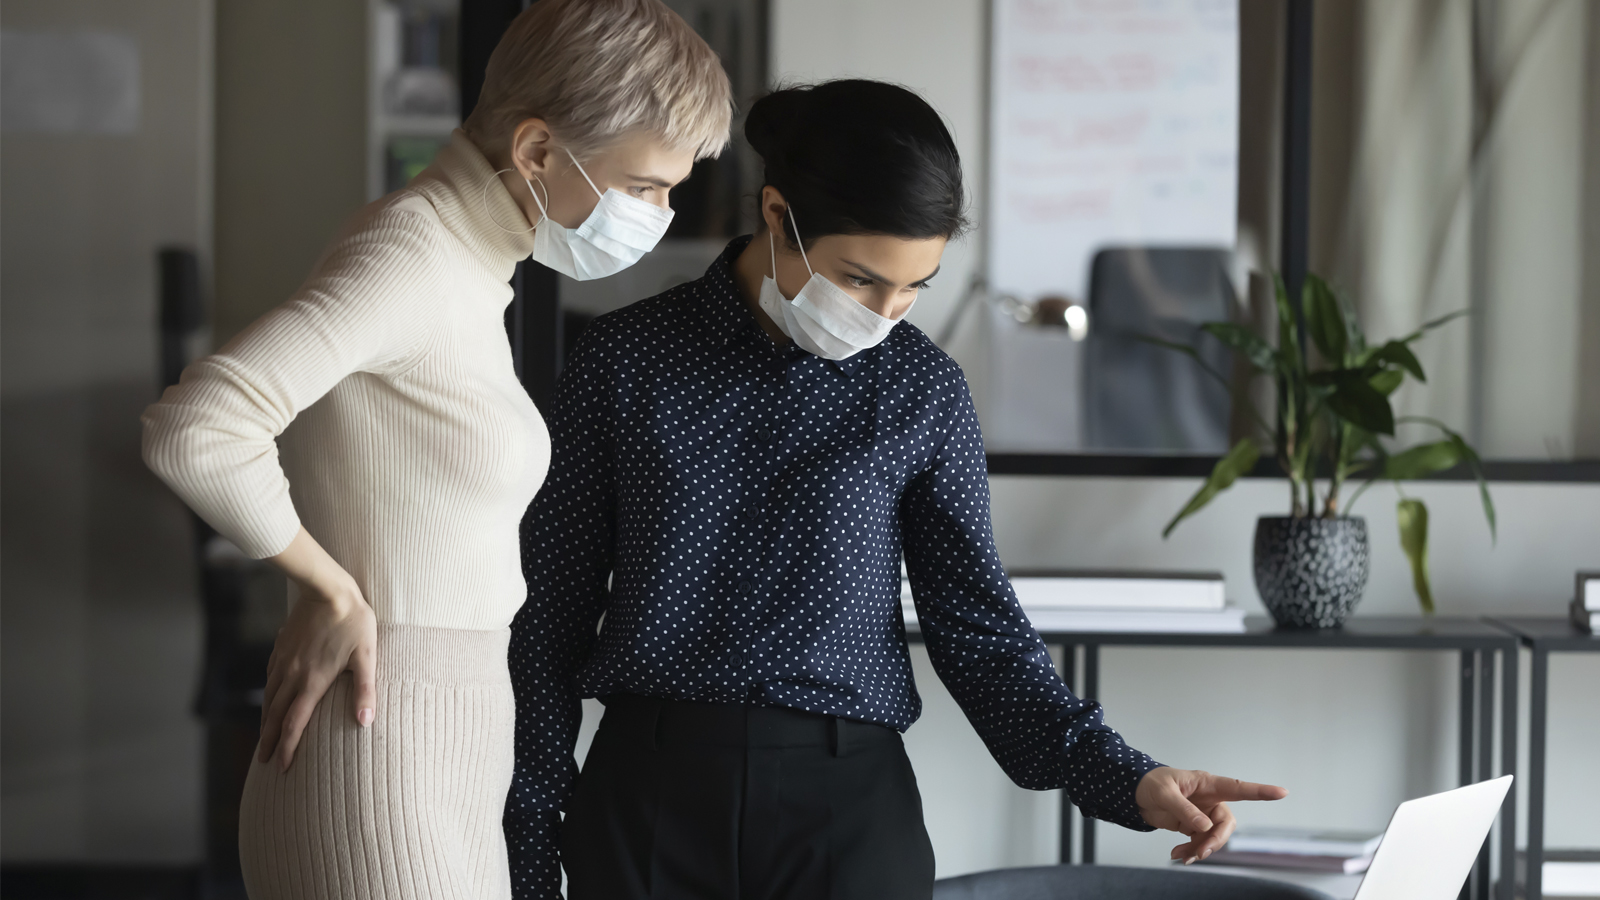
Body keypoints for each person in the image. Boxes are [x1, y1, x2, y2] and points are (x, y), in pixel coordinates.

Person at [508, 79, 1287, 900]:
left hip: (846, 813)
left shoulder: (923, 390)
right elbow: (544, 625)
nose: (887, 313)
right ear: (778, 215)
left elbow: (979, 630)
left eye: (916, 285)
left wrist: (1126, 778)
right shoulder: (623, 362)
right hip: (648, 802)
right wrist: (528, 852)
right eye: (860, 279)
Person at [140, 2, 730, 897]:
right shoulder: (412, 250)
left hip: (444, 726)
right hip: (378, 733)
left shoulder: (469, 261)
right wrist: (324, 585)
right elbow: (199, 426)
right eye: (646, 186)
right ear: (536, 153)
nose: (659, 211)